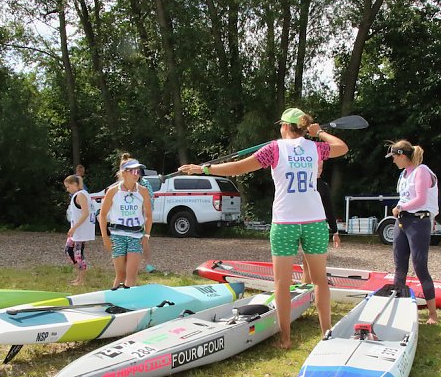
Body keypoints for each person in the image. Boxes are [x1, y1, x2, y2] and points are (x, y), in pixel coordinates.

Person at [178, 107, 349, 349]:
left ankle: (286, 339)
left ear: (287, 127)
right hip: (314, 221)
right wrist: (319, 132)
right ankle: (325, 332)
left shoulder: (275, 148)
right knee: (320, 281)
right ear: (303, 128)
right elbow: (342, 147)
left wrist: (205, 169)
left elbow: (239, 168)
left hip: (285, 222)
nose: (279, 128)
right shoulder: (315, 148)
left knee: (282, 283)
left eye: (281, 125)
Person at [387, 140, 439, 324]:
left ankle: (433, 314)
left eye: (394, 157)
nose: (393, 160)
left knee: (420, 267)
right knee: (399, 266)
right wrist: (401, 209)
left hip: (418, 222)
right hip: (402, 222)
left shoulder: (422, 170)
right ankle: (396, 309)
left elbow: (420, 198)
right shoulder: (404, 173)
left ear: (402, 155)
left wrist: (400, 206)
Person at [98, 158, 153, 289]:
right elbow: (103, 214)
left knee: (131, 274)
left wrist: (146, 236)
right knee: (121, 275)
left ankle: (127, 304)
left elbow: (149, 216)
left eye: (138, 171)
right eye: (133, 171)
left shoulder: (143, 191)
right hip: (117, 235)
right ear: (124, 173)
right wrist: (105, 237)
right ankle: (114, 301)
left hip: (136, 235)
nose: (136, 174)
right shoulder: (112, 191)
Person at [302, 159, 340, 284]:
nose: (319, 170)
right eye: (317, 167)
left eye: (321, 168)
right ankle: (306, 287)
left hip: (318, 226)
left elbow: (329, 209)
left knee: (313, 261)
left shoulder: (323, 186)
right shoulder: (302, 184)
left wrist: (335, 231)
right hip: (303, 224)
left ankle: (313, 286)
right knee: (306, 261)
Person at [119, 153, 157, 273]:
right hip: (126, 218)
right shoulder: (120, 187)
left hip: (140, 217)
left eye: (137, 171)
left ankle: (148, 264)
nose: (137, 173)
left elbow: (149, 202)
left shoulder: (144, 185)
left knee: (143, 241)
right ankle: (127, 266)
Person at [63, 174, 95, 285]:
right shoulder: (80, 194)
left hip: (81, 230)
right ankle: (79, 276)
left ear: (74, 184)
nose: (67, 189)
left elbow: (85, 213)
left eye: (68, 186)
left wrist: (74, 227)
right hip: (77, 230)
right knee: (68, 250)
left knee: (78, 254)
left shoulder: (81, 195)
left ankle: (81, 279)